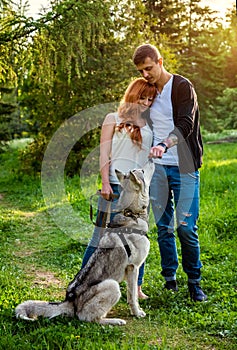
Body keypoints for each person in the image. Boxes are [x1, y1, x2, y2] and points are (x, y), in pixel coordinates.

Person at [132, 44, 207, 302]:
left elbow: (186, 123)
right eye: (141, 70)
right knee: (163, 227)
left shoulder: (182, 87)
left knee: (185, 227)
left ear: (160, 61)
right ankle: (170, 279)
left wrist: (164, 144)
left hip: (185, 166)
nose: (145, 74)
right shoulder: (149, 91)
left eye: (149, 68)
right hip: (159, 170)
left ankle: (194, 282)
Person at [81, 77, 157, 299]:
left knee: (138, 238)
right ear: (132, 95)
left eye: (150, 99)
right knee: (100, 238)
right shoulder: (112, 118)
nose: (145, 103)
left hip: (140, 191)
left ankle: (137, 287)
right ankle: (84, 282)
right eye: (142, 97)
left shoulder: (151, 123)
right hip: (115, 186)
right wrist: (104, 182)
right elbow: (104, 154)